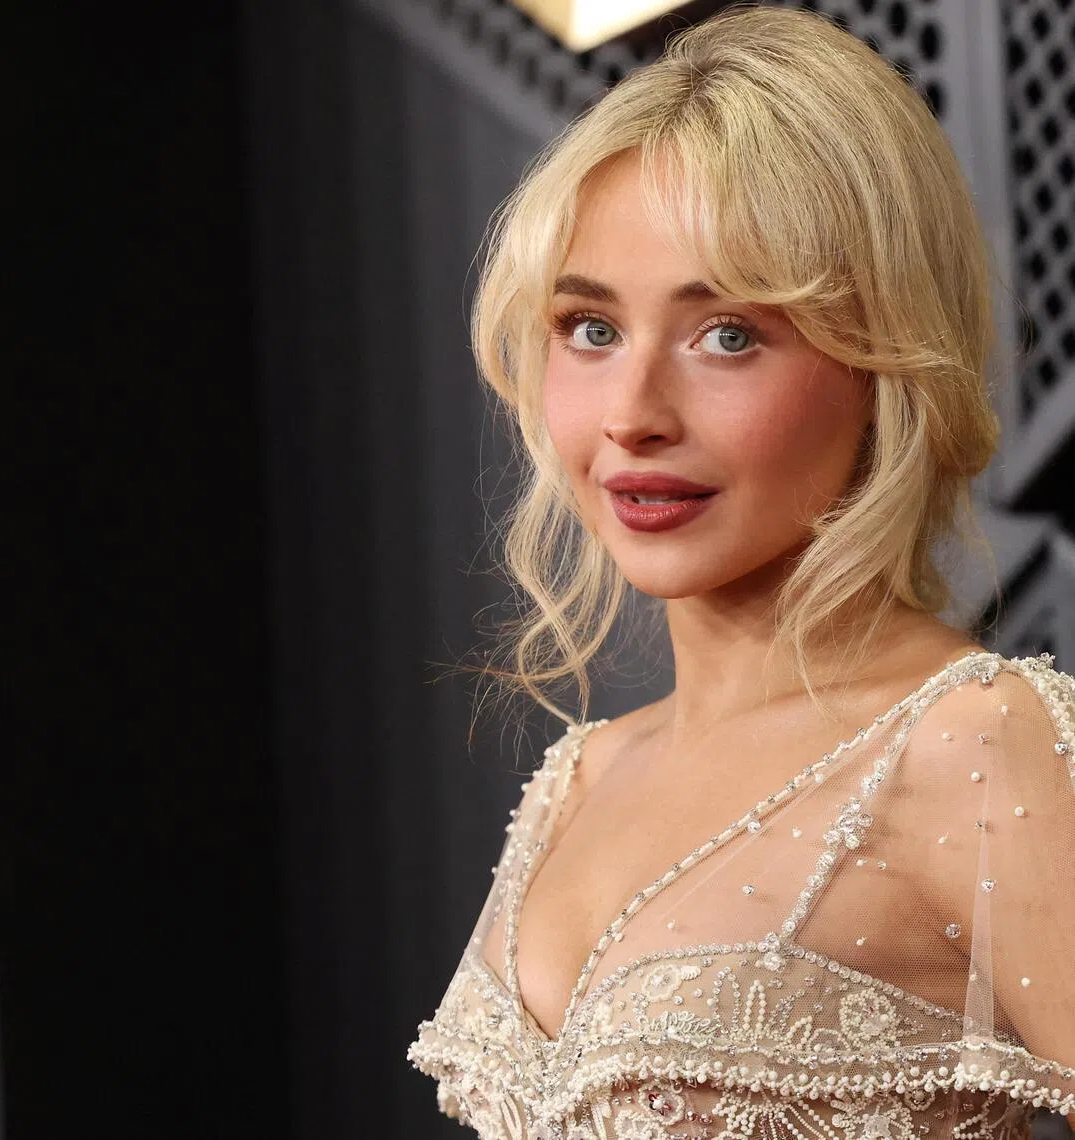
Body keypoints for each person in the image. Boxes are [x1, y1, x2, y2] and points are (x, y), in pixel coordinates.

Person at [407, 6, 1075, 1139]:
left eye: (727, 335)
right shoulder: (581, 778)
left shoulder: (973, 745)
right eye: (590, 328)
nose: (633, 415)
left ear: (884, 360)